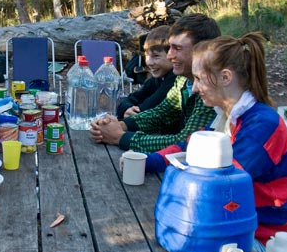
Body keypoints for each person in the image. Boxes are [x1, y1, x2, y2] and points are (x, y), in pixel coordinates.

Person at [152, 32, 287, 249]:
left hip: (273, 236)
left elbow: (223, 185)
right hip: (244, 222)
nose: (196, 88)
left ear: (225, 77)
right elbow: (190, 147)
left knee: (174, 250)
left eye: (199, 79)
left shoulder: (262, 126)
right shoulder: (227, 115)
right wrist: (149, 161)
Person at [90, 13, 221, 153]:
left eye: (177, 48)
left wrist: (121, 137)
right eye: (170, 47)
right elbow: (160, 114)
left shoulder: (212, 87)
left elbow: (187, 142)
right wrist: (120, 125)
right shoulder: (183, 79)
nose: (170, 55)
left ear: (202, 51)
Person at [116, 25, 177, 120]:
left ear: (172, 55)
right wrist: (126, 109)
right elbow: (133, 98)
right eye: (146, 55)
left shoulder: (174, 79)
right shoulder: (157, 78)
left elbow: (146, 109)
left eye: (156, 56)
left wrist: (130, 114)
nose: (148, 62)